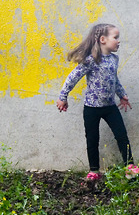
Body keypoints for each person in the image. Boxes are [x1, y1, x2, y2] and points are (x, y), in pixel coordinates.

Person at [56, 23, 134, 181]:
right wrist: (63, 96)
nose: (119, 41)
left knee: (122, 135)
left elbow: (114, 79)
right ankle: (94, 171)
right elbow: (73, 77)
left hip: (110, 107)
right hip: (91, 108)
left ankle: (130, 167)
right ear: (103, 39)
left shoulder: (114, 59)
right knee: (92, 139)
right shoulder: (90, 60)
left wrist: (122, 94)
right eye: (116, 37)